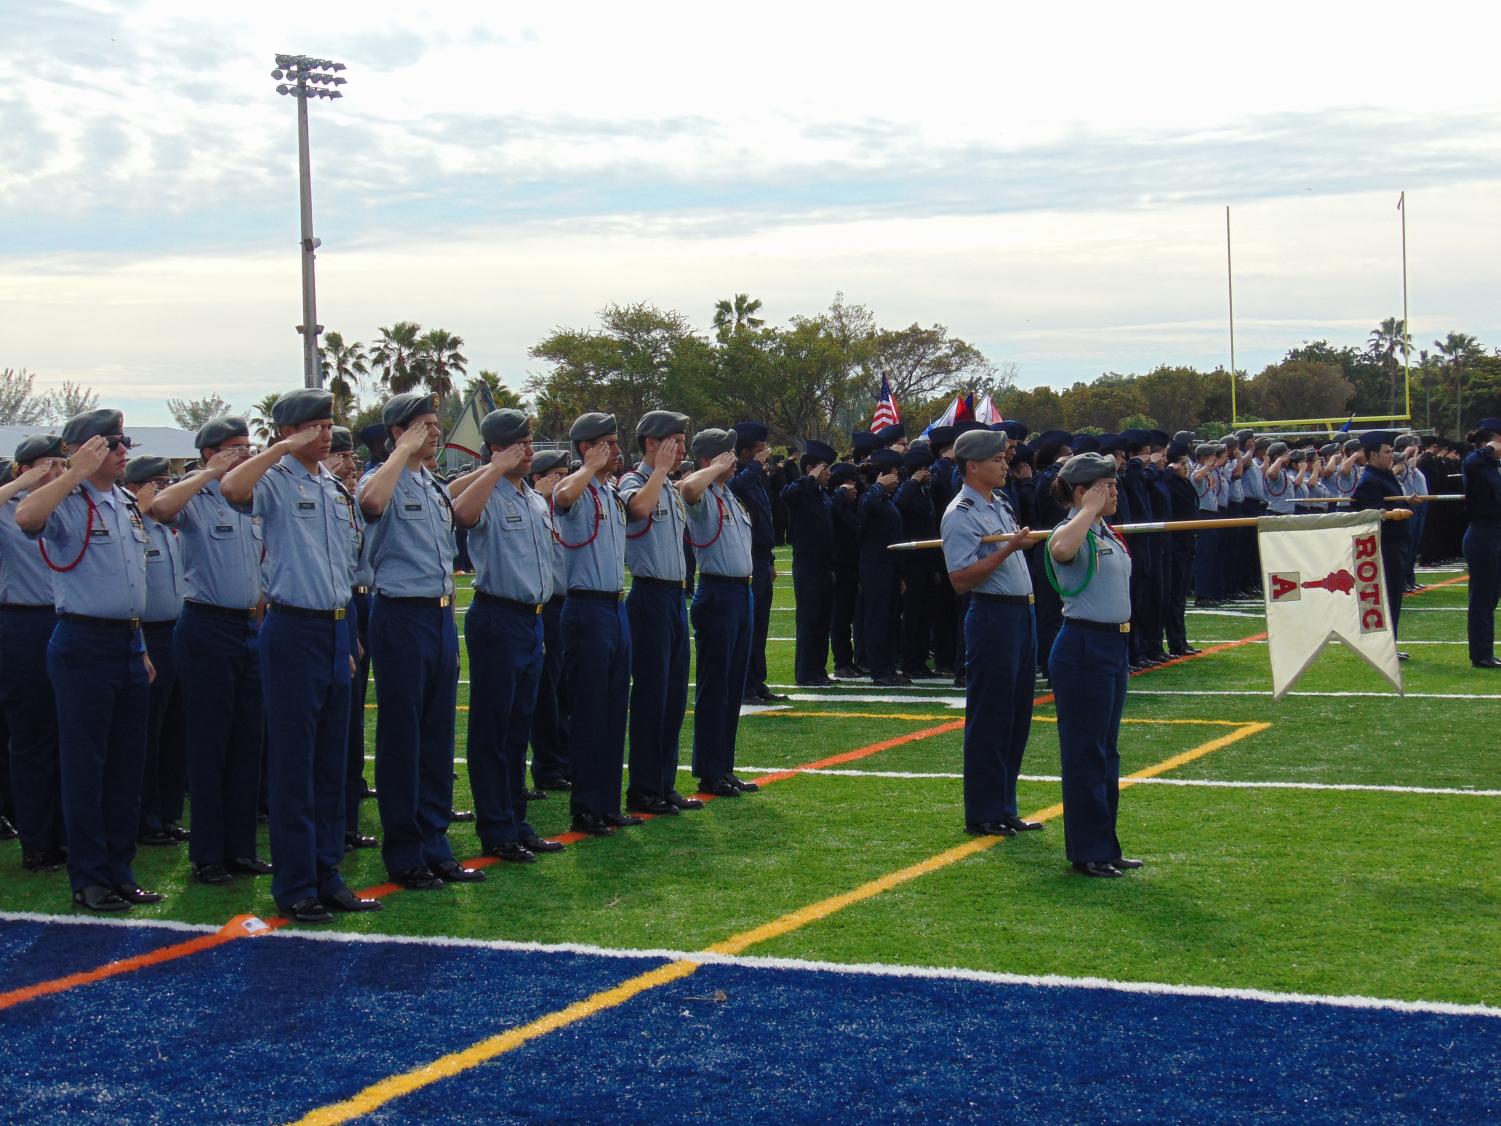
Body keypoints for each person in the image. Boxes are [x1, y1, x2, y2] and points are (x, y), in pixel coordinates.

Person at [219, 388, 379, 924]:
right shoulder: (274, 479)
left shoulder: (333, 487)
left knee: (332, 764)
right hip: (292, 627)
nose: (326, 433)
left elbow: (343, 568)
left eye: (328, 424)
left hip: (334, 630)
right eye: (314, 425)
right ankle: (295, 885)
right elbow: (233, 487)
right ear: (290, 431)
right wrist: (282, 448)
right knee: (294, 764)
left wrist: (350, 636)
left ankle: (327, 873)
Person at [16, 409, 159, 912]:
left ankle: (120, 870)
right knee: (86, 766)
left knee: (125, 765)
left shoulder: (124, 502)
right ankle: (91, 877)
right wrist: (72, 471)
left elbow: (130, 584)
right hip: (82, 642)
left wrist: (139, 647)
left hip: (126, 643)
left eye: (123, 444)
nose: (124, 454)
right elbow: (27, 518)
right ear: (88, 450)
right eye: (114, 445)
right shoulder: (71, 501)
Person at [357, 392, 482, 888]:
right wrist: (399, 454)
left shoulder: (432, 486)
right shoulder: (380, 478)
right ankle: (405, 851)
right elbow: (370, 505)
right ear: (397, 432)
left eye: (435, 423)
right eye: (423, 425)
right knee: (402, 739)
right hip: (400, 614)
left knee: (435, 739)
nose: (435, 431)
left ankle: (436, 842)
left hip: (438, 616)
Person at [145, 416, 272, 886]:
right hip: (206, 625)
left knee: (246, 741)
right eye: (233, 448)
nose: (243, 453)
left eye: (247, 446)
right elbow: (159, 508)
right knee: (210, 742)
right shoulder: (196, 495)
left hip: (250, 628)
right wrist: (207, 472)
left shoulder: (254, 497)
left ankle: (240, 848)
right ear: (208, 453)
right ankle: (208, 853)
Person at [449, 409, 565, 862]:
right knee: (492, 730)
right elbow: (461, 513)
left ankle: (516, 819)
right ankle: (495, 827)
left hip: (531, 619)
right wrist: (494, 467)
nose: (530, 450)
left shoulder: (532, 496)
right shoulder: (488, 489)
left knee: (519, 728)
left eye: (530, 441)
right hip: (497, 616)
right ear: (498, 448)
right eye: (521, 443)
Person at [1045, 452, 1142, 878]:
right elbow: (1061, 548)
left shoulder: (1106, 531)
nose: (1115, 491)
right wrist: (1085, 508)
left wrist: (1093, 511)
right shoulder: (1073, 531)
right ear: (1084, 491)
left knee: (1107, 753)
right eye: (1107, 486)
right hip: (1084, 646)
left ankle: (1106, 844)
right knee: (1086, 753)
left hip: (1112, 646)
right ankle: (1088, 851)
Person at [941, 428, 1040, 838]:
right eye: (997, 459)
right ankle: (984, 811)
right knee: (990, 719)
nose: (1005, 465)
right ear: (973, 465)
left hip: (1020, 616)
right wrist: (1008, 550)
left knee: (1016, 718)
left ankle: (1005, 805)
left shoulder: (998, 502)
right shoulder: (960, 512)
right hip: (993, 617)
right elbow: (961, 579)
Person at [551, 412, 640, 836]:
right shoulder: (581, 487)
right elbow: (562, 497)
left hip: (614, 606)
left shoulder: (609, 492)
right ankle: (586, 807)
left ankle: (608, 801)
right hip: (586, 607)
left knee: (612, 710)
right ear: (587, 448)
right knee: (588, 712)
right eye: (608, 443)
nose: (617, 451)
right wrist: (587, 466)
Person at [619, 411, 704, 816]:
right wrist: (660, 471)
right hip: (649, 596)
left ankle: (665, 783)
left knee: (672, 698)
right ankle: (644, 788)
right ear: (651, 443)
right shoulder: (636, 482)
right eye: (674, 440)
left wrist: (667, 474)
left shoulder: (667, 486)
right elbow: (636, 511)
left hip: (675, 598)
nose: (681, 449)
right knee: (652, 696)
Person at [0, 434, 67, 872]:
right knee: (33, 736)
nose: (56, 472)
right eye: (47, 465)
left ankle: (64, 832)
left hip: (69, 620)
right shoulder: (8, 508)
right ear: (23, 470)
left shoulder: (67, 505)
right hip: (23, 622)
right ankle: (37, 839)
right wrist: (24, 482)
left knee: (69, 736)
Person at [681, 427, 759, 797]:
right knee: (715, 688)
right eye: (725, 453)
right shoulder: (703, 492)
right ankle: (710, 770)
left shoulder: (729, 495)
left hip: (741, 594)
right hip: (717, 592)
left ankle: (724, 767)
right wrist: (713, 469)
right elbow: (689, 489)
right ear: (708, 459)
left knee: (732, 687)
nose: (734, 458)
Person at [121, 456, 187, 849]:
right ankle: (145, 818)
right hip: (148, 634)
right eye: (155, 484)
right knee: (149, 731)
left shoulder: (169, 529)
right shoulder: (133, 528)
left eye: (165, 482)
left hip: (178, 632)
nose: (163, 490)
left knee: (175, 731)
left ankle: (168, 814)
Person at [524, 450, 573, 791]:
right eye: (555, 474)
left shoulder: (566, 511)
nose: (562, 481)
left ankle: (565, 759)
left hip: (570, 604)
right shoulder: (534, 509)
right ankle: (548, 765)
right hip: (547, 605)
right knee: (547, 691)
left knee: (567, 688)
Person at [729, 420, 786, 704]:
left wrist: (772, 558)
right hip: (746, 555)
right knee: (748, 626)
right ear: (745, 452)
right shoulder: (736, 474)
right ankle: (744, 686)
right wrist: (754, 467)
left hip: (762, 556)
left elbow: (765, 517)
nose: (765, 455)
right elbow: (734, 488)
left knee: (761, 624)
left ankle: (757, 681)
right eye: (760, 450)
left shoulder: (757, 476)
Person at [780, 439, 838, 687]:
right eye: (825, 468)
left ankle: (819, 669)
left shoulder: (822, 495)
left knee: (823, 619)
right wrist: (809, 478)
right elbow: (786, 494)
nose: (829, 473)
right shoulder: (801, 491)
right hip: (807, 564)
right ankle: (806, 672)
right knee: (809, 619)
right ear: (811, 469)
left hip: (824, 564)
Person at [1350, 431, 1411, 661]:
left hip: (1397, 543)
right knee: (1385, 597)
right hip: (1384, 545)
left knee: (1394, 596)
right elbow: (1373, 514)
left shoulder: (1386, 476)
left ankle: (1389, 643)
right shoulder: (1370, 480)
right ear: (1373, 454)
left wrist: (1407, 502)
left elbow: (1394, 500)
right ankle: (1382, 646)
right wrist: (1394, 513)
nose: (1391, 456)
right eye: (1386, 452)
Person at [858, 448, 907, 686]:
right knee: (877, 618)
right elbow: (865, 508)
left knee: (889, 619)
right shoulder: (870, 496)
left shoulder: (886, 501)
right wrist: (877, 486)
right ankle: (879, 669)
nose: (897, 479)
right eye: (893, 474)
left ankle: (888, 666)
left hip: (890, 567)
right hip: (875, 566)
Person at [1461, 419, 1501, 669]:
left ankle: (1486, 649)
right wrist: (1489, 449)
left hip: (1495, 533)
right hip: (1481, 534)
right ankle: (1481, 653)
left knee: (1491, 596)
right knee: (1482, 597)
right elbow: (1471, 462)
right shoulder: (1476, 461)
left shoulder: (1492, 465)